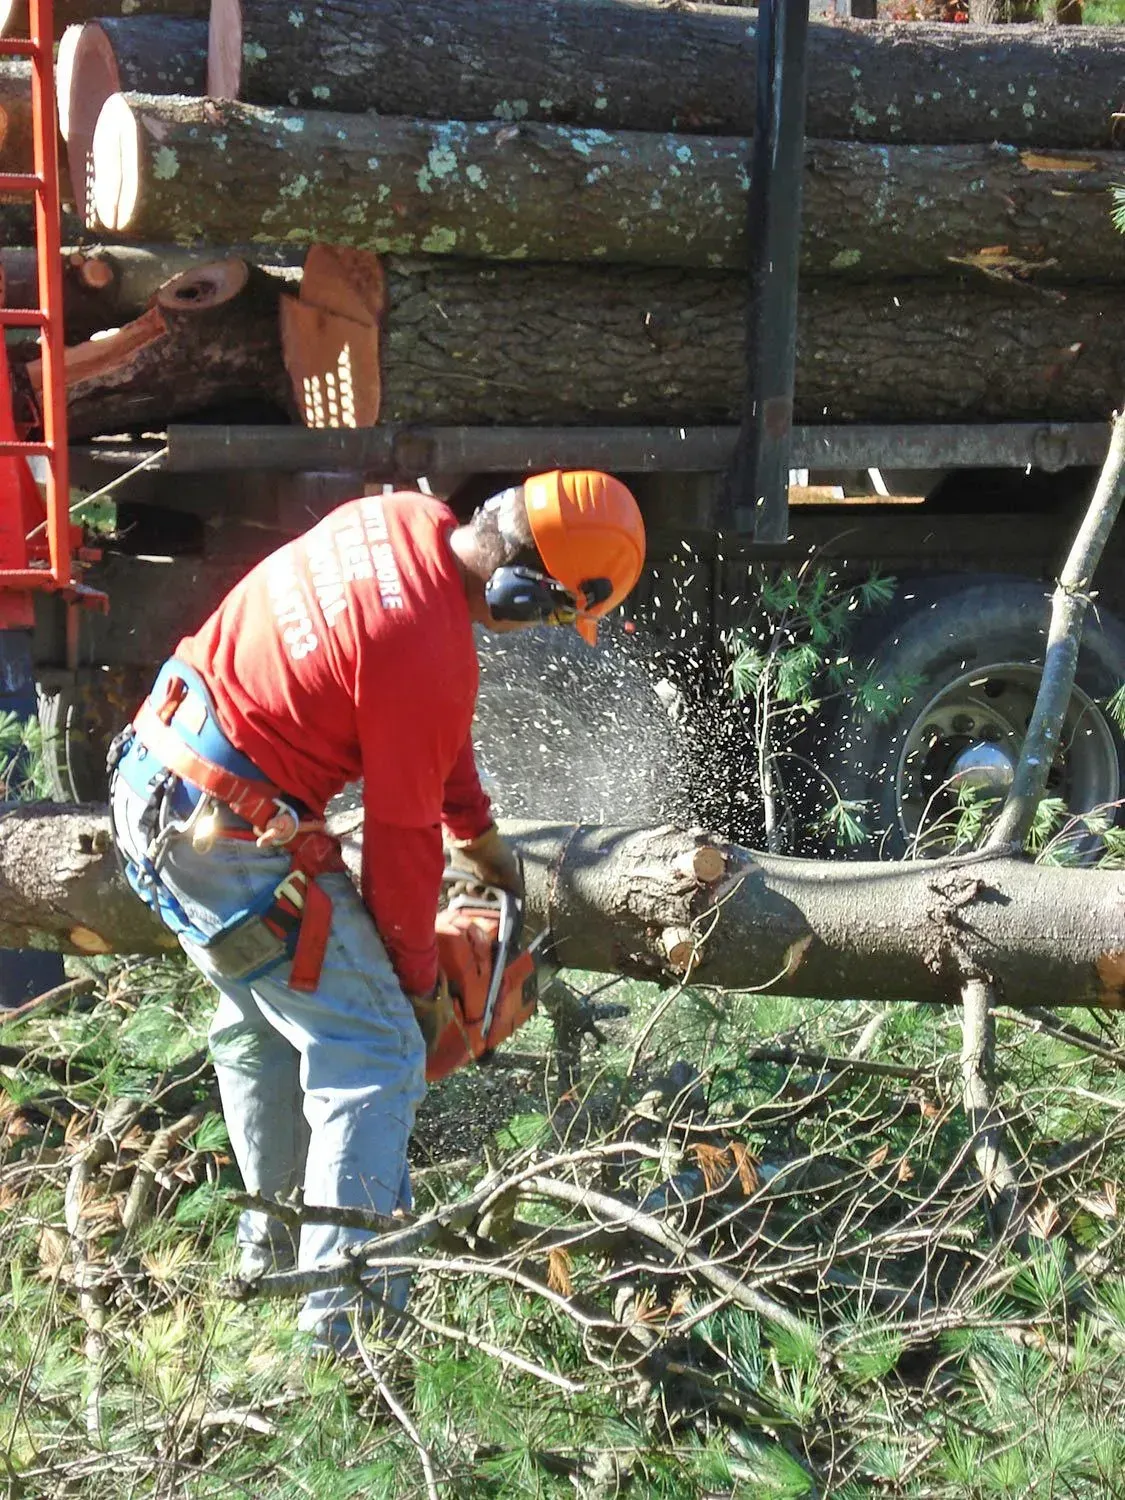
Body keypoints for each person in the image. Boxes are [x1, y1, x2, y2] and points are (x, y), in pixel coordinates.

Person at [108, 470, 645, 1351]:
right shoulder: (427, 644)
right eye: (553, 613)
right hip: (221, 839)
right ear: (527, 585)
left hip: (154, 780)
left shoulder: (399, 520)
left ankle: (271, 1260)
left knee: (260, 1019)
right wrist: (422, 990)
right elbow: (399, 857)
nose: (536, 631)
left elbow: (425, 724)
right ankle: (343, 1342)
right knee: (376, 1052)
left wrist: (477, 835)